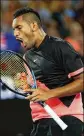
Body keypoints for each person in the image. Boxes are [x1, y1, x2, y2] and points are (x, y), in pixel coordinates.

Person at [12, 7, 84, 136]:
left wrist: (49, 93)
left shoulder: (60, 47)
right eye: (13, 29)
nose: (15, 34)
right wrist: (25, 86)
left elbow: (82, 82)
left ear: (33, 25)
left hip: (66, 119)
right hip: (40, 121)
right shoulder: (26, 57)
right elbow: (37, 89)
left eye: (19, 27)